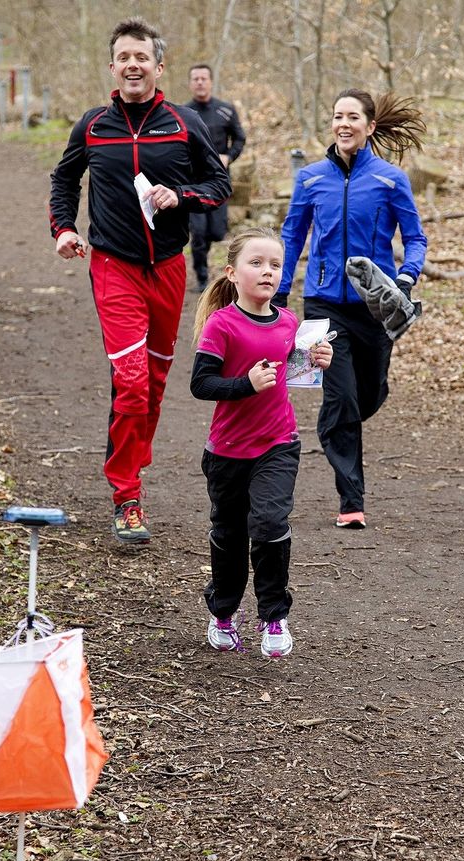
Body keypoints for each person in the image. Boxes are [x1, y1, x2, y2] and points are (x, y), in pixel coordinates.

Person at [49, 18, 231, 545]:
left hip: (169, 267)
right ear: (112, 66)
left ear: (158, 66)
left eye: (142, 57)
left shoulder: (181, 123)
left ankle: (132, 465)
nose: (133, 65)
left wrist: (183, 196)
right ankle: (126, 494)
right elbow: (64, 178)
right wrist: (64, 229)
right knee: (129, 381)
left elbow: (218, 182)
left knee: (150, 386)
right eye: (124, 57)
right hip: (113, 265)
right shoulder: (92, 126)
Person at [274, 89, 427, 529]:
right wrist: (281, 292)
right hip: (323, 303)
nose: (344, 123)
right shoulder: (309, 178)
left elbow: (415, 239)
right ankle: (351, 500)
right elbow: (291, 236)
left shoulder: (390, 179)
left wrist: (405, 277)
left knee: (369, 394)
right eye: (338, 116)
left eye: (353, 117)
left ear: (369, 126)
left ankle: (335, 422)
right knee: (339, 396)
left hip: (376, 306)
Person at [190, 228, 333, 657]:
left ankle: (273, 616)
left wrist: (315, 359)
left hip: (278, 443)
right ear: (232, 273)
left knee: (270, 526)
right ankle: (224, 611)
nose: (267, 272)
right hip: (228, 451)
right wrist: (245, 385)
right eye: (257, 263)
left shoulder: (289, 322)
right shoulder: (221, 324)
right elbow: (202, 383)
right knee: (230, 534)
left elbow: (290, 375)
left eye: (275, 265)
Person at [186, 64, 246, 292]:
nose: (200, 82)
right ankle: (201, 277)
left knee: (217, 231)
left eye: (203, 78)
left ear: (210, 82)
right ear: (191, 83)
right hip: (193, 182)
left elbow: (240, 138)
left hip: (219, 180)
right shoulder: (183, 112)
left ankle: (205, 255)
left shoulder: (225, 110)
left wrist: (229, 157)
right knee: (198, 232)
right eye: (195, 79)